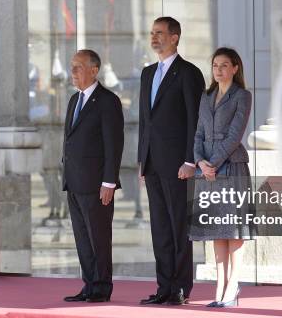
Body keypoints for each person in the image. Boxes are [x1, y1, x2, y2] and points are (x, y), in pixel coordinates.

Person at [137, 17, 205, 305]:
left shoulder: (189, 73)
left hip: (179, 165)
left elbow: (196, 120)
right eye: (152, 33)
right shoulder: (147, 73)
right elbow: (144, 121)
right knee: (160, 229)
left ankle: (180, 288)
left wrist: (190, 160)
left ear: (175, 37)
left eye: (160, 34)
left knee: (179, 227)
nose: (154, 38)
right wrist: (142, 159)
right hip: (153, 163)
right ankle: (164, 286)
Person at [190, 47, 255, 307]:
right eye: (215, 65)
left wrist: (212, 163)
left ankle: (234, 283)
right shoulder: (205, 96)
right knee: (216, 229)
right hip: (208, 169)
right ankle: (220, 285)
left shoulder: (243, 96)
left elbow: (235, 136)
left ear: (235, 68)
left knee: (233, 228)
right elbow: (197, 134)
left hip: (232, 166)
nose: (218, 70)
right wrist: (199, 162)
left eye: (224, 65)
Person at [61, 49, 124, 303]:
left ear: (94, 70)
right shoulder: (74, 100)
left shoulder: (107, 101)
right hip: (74, 182)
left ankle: (101, 287)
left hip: (97, 184)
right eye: (72, 66)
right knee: (83, 239)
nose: (73, 71)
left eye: (78, 66)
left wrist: (109, 181)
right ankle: (89, 284)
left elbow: (114, 145)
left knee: (99, 237)